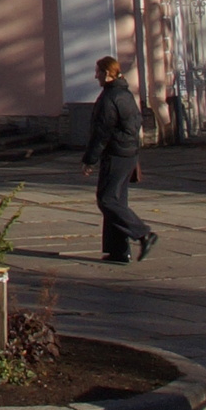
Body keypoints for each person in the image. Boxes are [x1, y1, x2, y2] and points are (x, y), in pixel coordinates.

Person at [81, 53, 156, 263]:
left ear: (107, 74)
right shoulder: (125, 94)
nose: (95, 77)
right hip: (129, 154)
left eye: (98, 72)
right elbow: (135, 123)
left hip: (115, 154)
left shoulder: (110, 98)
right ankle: (118, 251)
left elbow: (101, 133)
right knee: (117, 200)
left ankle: (143, 233)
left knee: (107, 200)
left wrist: (90, 160)